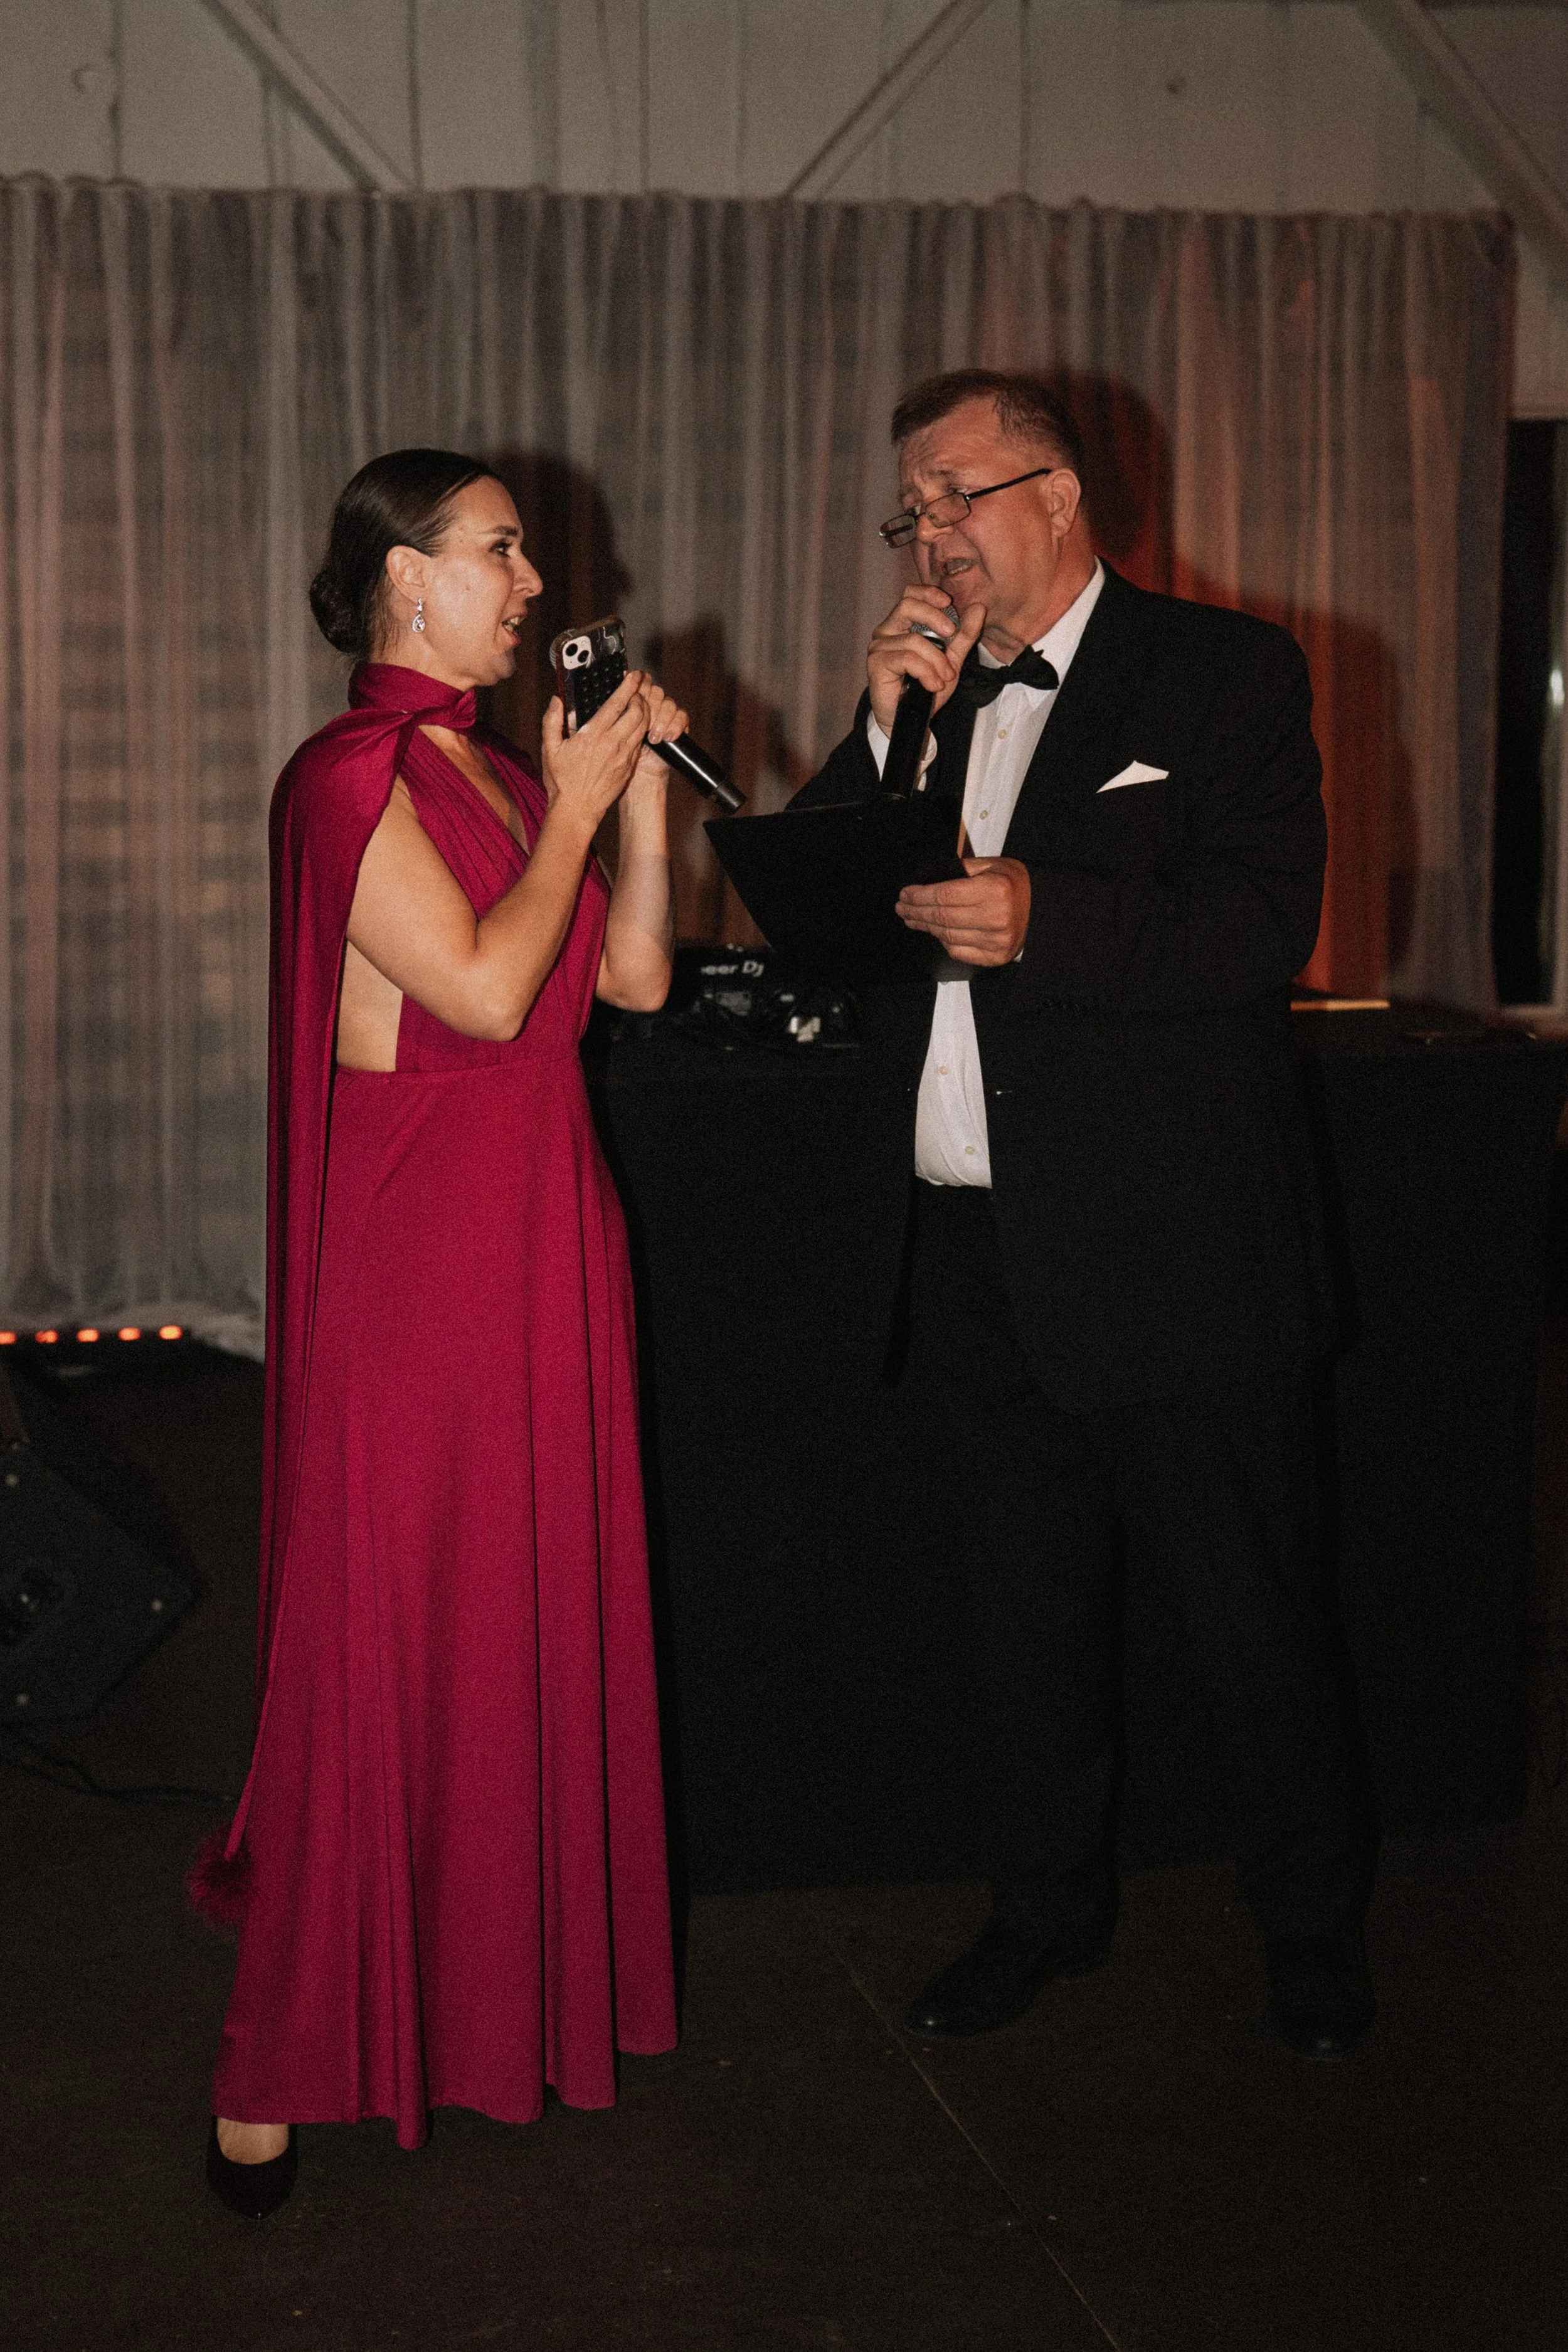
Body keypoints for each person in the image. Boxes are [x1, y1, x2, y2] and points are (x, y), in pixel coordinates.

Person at [792, 371, 1374, 2055]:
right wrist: (880, 723)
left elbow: (1260, 927)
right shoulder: (914, 701)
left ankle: (1315, 1939)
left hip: (1179, 1254)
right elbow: (822, 929)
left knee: (1252, 1624)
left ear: (1059, 491)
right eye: (910, 510)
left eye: (956, 497)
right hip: (974, 1253)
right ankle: (1042, 1912)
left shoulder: (1222, 670)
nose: (930, 536)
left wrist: (1050, 915)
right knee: (1024, 1626)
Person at [193, 448, 680, 2216]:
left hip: (543, 1236)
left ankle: (476, 2011)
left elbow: (624, 980)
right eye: (497, 552)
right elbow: (478, 990)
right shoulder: (350, 774)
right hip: (426, 1269)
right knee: (379, 1641)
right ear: (401, 577)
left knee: (509, 1623)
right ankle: (273, 2062)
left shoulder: (479, 760)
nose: (531, 582)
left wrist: (630, 798)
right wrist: (566, 806)